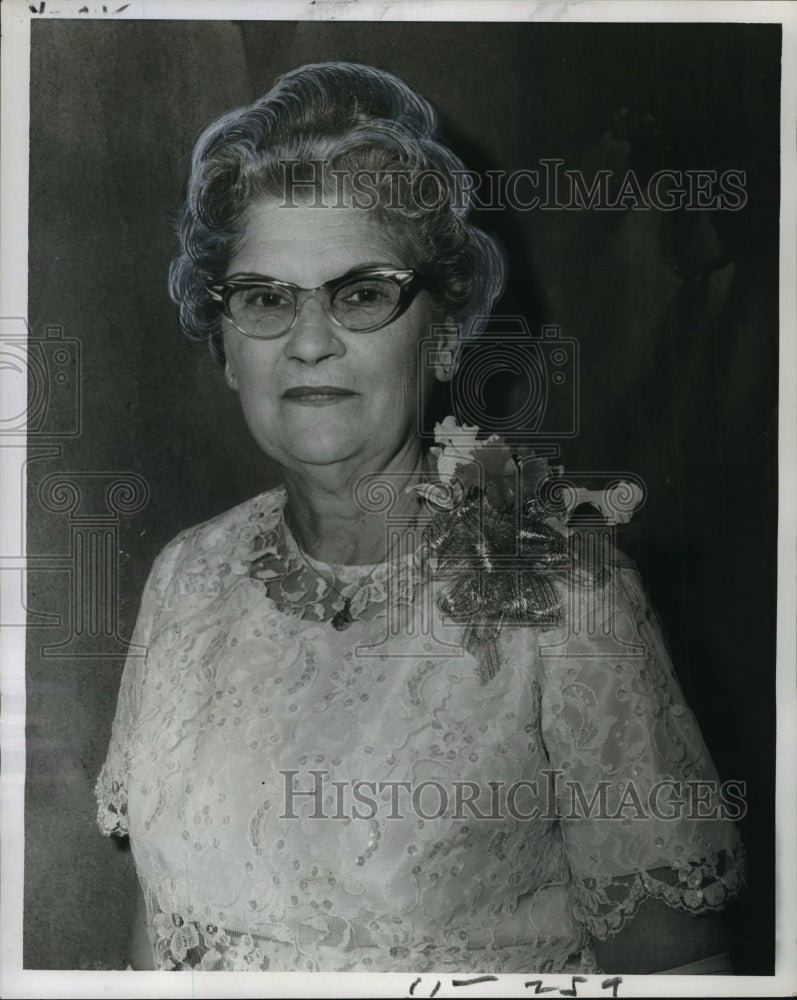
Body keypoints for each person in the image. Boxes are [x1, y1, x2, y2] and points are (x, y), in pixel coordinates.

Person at [95, 61, 743, 974]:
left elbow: (678, 974)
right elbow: (153, 942)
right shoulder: (187, 578)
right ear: (228, 348)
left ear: (441, 331)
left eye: (361, 293)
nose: (309, 340)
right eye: (266, 298)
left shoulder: (565, 596)